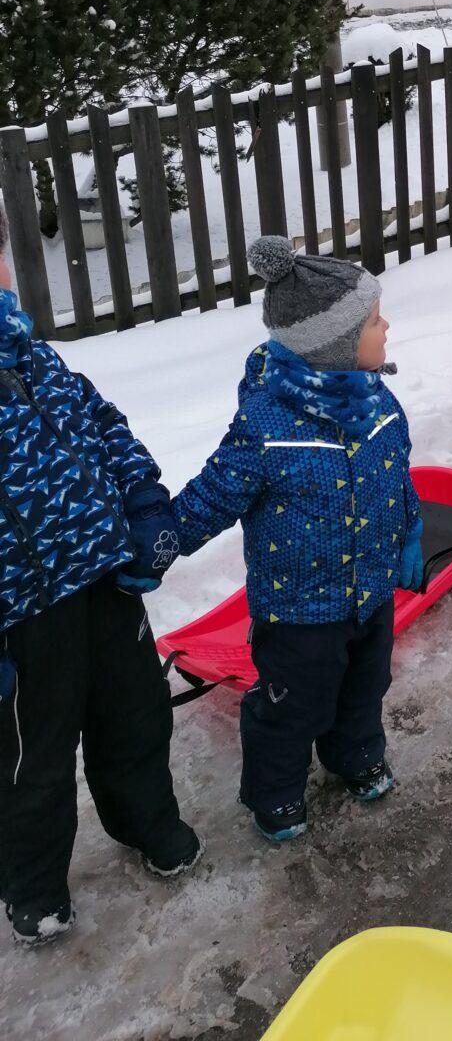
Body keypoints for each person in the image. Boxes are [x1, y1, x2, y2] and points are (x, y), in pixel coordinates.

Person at [169, 238, 424, 844]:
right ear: (333, 344)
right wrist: (160, 542)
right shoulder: (266, 428)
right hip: (299, 608)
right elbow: (213, 495)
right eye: (372, 320)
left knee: (366, 687)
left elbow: (397, 472)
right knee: (290, 707)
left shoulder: (377, 400)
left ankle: (355, 757)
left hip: (370, 592)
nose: (386, 325)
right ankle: (275, 794)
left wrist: (410, 527)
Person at [0, 208, 199, 947]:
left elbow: (107, 428)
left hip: (107, 588)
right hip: (21, 625)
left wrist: (145, 507)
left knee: (135, 716)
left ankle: (149, 824)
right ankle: (33, 886)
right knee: (30, 765)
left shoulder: (36, 357)